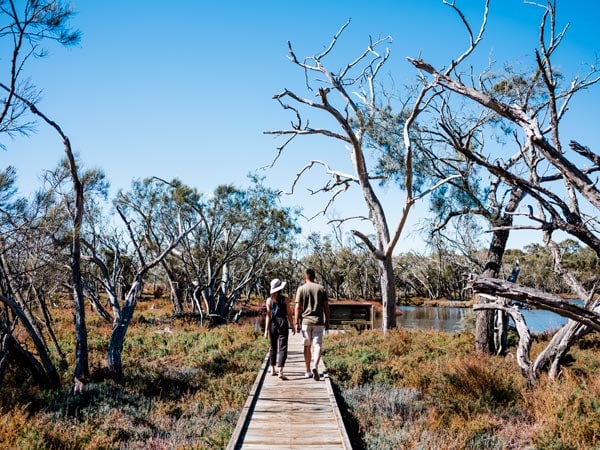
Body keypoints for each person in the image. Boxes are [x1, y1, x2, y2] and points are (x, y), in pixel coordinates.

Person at [294, 268, 329, 381]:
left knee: (307, 346)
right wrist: (327, 320)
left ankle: (308, 370)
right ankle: (315, 366)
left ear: (305, 276)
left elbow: (297, 307)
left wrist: (296, 322)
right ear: (314, 276)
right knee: (317, 344)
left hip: (305, 322)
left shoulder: (301, 289)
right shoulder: (321, 288)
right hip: (318, 321)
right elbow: (326, 306)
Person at [264, 278, 294, 379]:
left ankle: (272, 369)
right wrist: (292, 325)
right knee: (283, 347)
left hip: (273, 324)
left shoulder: (268, 300)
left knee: (273, 347)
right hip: (283, 323)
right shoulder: (285, 299)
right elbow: (289, 314)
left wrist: (266, 330)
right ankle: (280, 371)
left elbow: (268, 316)